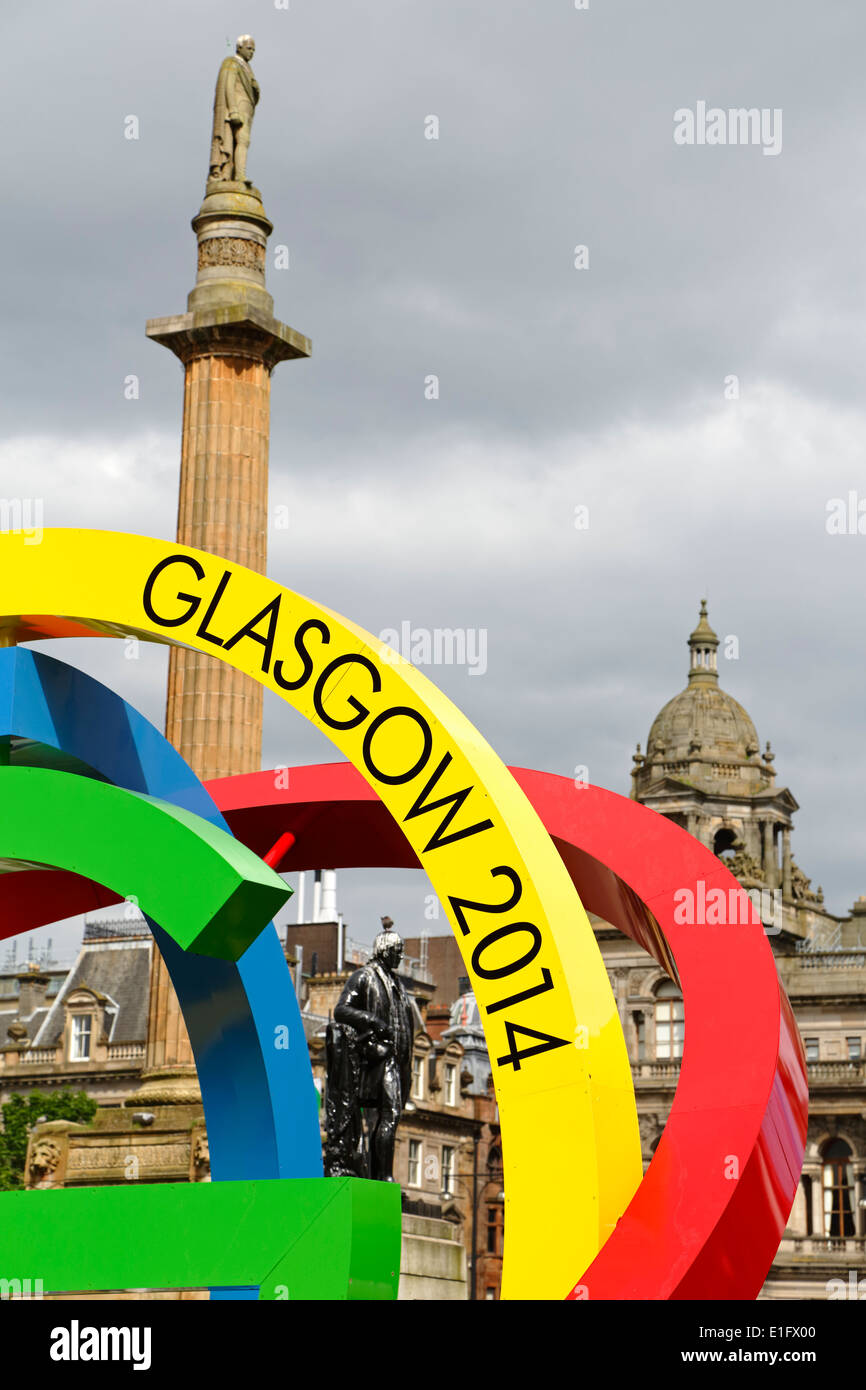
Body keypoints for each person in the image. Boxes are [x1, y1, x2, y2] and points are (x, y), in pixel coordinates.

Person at [324, 919, 415, 1182]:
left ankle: (380, 1175)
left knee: (390, 1117)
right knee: (390, 1114)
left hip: (397, 1061)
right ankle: (383, 1176)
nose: (400, 955)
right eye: (397, 950)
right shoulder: (364, 976)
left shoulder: (398, 986)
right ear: (385, 951)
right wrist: (372, 1020)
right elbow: (342, 1010)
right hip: (376, 1057)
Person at [209, 35, 260, 185]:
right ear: (239, 48)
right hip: (236, 109)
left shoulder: (248, 68)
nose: (251, 53)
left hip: (247, 111)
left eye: (253, 50)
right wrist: (233, 110)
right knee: (242, 140)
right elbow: (228, 86)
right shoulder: (231, 63)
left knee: (243, 142)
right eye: (249, 48)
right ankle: (239, 176)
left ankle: (237, 174)